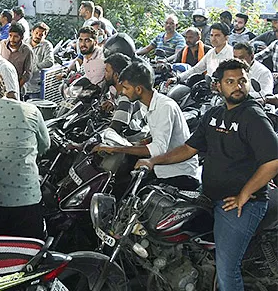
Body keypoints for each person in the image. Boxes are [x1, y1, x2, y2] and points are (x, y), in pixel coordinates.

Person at [135, 59, 278, 291]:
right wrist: (153, 161)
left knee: (227, 272)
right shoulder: (213, 114)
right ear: (218, 86)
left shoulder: (253, 117)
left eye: (242, 81)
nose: (238, 86)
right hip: (209, 195)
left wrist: (244, 194)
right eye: (230, 82)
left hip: (239, 205)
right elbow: (188, 149)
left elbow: (273, 161)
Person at [0, 70, 49, 239]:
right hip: (29, 199)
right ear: (3, 88)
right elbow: (45, 145)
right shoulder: (31, 110)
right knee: (31, 253)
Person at [94, 62, 200, 190]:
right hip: (160, 165)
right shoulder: (145, 104)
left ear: (138, 89)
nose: (123, 92)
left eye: (126, 88)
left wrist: (117, 148)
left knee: (124, 191)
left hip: (178, 172)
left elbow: (158, 148)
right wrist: (138, 143)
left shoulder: (165, 107)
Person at [103, 53, 146, 138]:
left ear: (116, 75)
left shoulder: (126, 97)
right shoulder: (123, 91)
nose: (105, 74)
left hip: (133, 140)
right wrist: (114, 105)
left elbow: (115, 128)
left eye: (107, 71)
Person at [0, 22, 33, 95]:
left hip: (17, 89)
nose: (12, 39)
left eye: (15, 36)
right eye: (10, 35)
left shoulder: (27, 51)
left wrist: (16, 87)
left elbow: (28, 73)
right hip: (1, 88)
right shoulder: (2, 45)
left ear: (21, 37)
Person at [24, 22, 54, 98]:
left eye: (41, 35)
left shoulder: (47, 45)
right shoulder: (24, 43)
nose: (38, 36)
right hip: (22, 85)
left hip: (36, 87)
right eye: (36, 33)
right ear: (32, 32)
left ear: (45, 35)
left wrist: (34, 68)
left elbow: (50, 62)